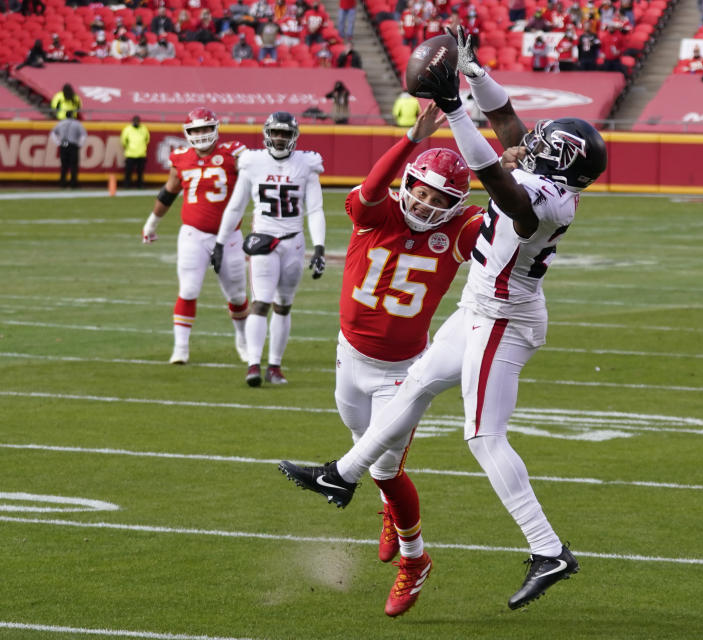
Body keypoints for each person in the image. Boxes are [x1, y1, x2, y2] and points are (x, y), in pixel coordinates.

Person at [278, 25, 608, 611]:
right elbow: (508, 126)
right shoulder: (549, 175)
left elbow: (493, 176)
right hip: (481, 307)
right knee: (423, 379)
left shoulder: (543, 202)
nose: (530, 142)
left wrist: (454, 106)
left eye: (543, 143)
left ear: (558, 160)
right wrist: (476, 73)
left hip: (504, 318)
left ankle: (548, 549)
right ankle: (344, 475)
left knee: (484, 436)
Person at [301, 104, 483, 617]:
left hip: (403, 371)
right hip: (349, 357)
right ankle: (390, 512)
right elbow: (375, 184)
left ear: (455, 204)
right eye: (421, 192)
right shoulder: (376, 213)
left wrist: (504, 168)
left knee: (383, 469)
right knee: (364, 448)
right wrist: (411, 137)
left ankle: (414, 560)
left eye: (438, 199)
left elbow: (509, 218)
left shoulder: (461, 231)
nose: (425, 206)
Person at [212, 111, 326, 386]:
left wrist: (319, 247)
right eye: (275, 133)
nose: (279, 138)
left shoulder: (306, 164)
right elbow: (236, 206)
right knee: (261, 302)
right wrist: (219, 241)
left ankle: (274, 365)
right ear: (266, 133)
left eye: (284, 134)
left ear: (294, 136)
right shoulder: (252, 162)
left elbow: (315, 209)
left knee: (284, 305)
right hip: (264, 239)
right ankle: (253, 364)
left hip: (294, 241)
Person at [141, 108, 250, 365]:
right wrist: (151, 223)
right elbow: (169, 193)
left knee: (236, 295)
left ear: (216, 129)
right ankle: (181, 348)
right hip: (193, 234)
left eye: (205, 129)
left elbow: (255, 184)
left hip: (230, 236)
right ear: (187, 133)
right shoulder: (180, 158)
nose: (201, 135)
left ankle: (243, 342)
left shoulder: (233, 154)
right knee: (188, 289)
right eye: (196, 130)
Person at [49, 110, 85, 188]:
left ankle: (62, 183)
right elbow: (83, 135)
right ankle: (73, 183)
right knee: (73, 165)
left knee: (64, 165)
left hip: (63, 145)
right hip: (73, 145)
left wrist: (58, 142)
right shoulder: (77, 123)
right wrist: (80, 144)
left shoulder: (61, 123)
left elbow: (53, 133)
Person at [121, 115, 150, 189]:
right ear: (132, 122)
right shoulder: (128, 129)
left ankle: (140, 185)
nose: (136, 123)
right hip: (130, 154)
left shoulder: (144, 129)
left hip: (141, 154)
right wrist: (129, 148)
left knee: (140, 172)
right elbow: (124, 141)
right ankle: (127, 185)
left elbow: (147, 139)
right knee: (128, 171)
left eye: (137, 121)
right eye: (135, 121)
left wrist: (143, 148)